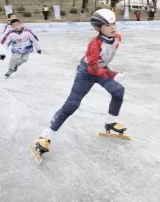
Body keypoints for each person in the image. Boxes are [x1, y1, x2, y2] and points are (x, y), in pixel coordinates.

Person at [32, 9, 126, 161]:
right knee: (72, 105)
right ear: (98, 28)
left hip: (100, 69)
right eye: (107, 25)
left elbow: (104, 59)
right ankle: (44, 136)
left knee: (118, 91)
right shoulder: (94, 44)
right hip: (86, 73)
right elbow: (93, 68)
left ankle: (110, 122)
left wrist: (107, 71)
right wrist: (113, 74)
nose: (113, 27)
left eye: (114, 23)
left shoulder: (117, 38)